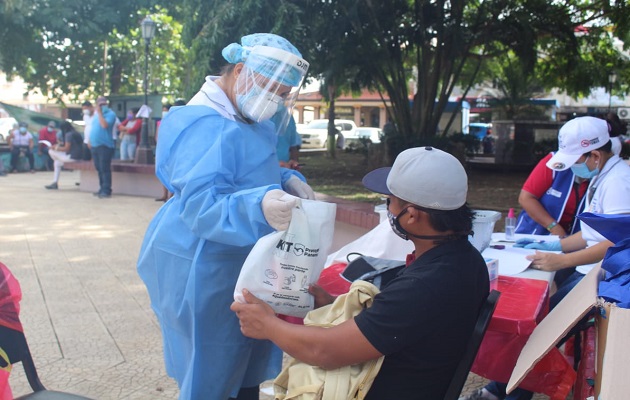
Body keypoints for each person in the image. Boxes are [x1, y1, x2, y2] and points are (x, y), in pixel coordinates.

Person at [137, 33, 316, 400]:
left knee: (249, 354)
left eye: (283, 94)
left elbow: (246, 170)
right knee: (211, 367)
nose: (275, 101)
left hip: (245, 257)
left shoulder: (250, 118)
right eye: (270, 88)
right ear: (239, 70)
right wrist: (258, 205)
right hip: (202, 262)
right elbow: (201, 204)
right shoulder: (202, 122)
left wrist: (285, 179)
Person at [232, 146, 490, 399]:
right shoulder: (466, 259)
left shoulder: (426, 285)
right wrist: (333, 304)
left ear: (411, 215)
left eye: (390, 202)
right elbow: (403, 319)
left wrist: (267, 325)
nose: (388, 209)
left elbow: (324, 351)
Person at [463, 116, 630, 400]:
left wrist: (562, 261)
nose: (574, 168)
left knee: (540, 335)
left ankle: (505, 392)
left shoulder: (617, 182)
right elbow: (590, 235)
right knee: (539, 333)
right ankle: (501, 388)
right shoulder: (601, 175)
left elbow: (619, 241)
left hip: (600, 276)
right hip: (588, 270)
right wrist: (556, 245)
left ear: (594, 155)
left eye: (576, 159)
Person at [88, 96, 116, 198]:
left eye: (103, 104)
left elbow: (104, 125)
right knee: (99, 168)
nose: (102, 106)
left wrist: (100, 113)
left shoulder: (111, 114)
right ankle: (101, 187)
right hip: (95, 145)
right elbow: (94, 129)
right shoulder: (96, 116)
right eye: (100, 105)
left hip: (105, 145)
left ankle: (106, 189)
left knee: (105, 168)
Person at [44, 121, 84, 190]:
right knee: (57, 163)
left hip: (72, 157)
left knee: (51, 151)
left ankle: (57, 160)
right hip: (79, 156)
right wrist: (59, 145)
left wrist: (56, 148)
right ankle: (55, 182)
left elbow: (66, 149)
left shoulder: (68, 135)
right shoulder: (76, 133)